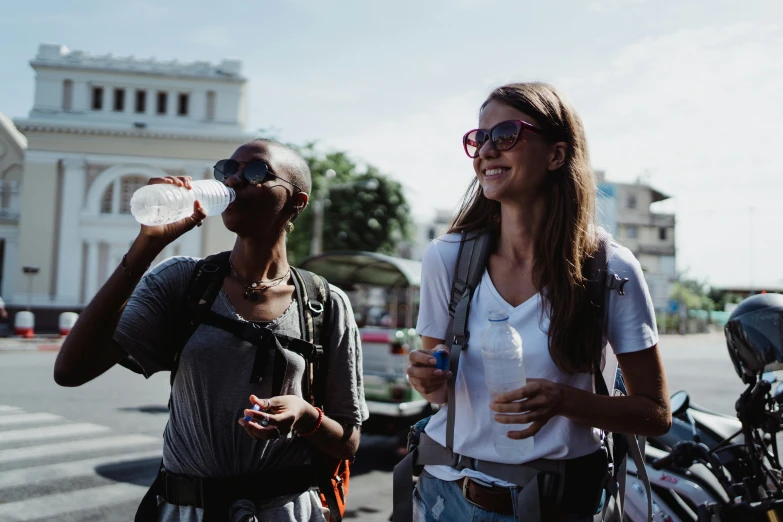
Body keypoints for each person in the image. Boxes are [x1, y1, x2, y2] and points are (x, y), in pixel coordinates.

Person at [54, 139, 368, 522]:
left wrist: (304, 416)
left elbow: (348, 442)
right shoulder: (183, 280)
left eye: (255, 172)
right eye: (227, 169)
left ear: (296, 202)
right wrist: (146, 245)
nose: (234, 181)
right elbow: (70, 371)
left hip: (285, 512)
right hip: (186, 511)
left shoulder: (324, 302)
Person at [405, 82, 672, 521]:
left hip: (563, 503)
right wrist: (426, 377)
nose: (486, 150)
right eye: (479, 138)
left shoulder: (610, 268)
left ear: (556, 155)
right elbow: (437, 391)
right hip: (447, 497)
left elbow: (655, 414)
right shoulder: (446, 258)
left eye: (506, 134)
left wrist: (563, 401)